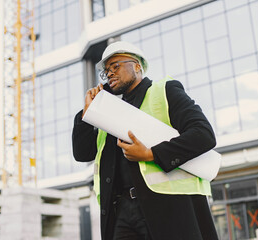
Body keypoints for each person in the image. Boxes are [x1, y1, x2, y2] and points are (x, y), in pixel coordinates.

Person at [72, 41, 219, 240]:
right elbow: (83, 154)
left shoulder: (164, 91)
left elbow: (203, 134)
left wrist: (151, 154)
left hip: (168, 207)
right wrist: (87, 113)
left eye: (116, 66)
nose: (110, 74)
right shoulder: (109, 112)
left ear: (137, 66)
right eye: (106, 72)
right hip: (121, 211)